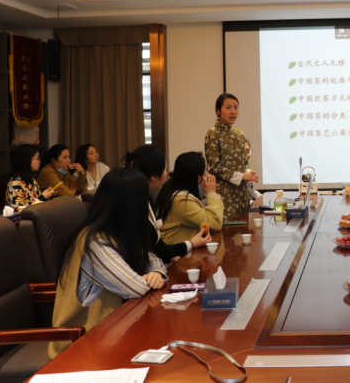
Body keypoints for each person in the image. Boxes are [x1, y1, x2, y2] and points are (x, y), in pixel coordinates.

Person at [49, 168, 168, 358]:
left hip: (113, 332)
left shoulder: (117, 233)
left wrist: (156, 272)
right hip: (81, 347)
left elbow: (152, 259)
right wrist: (149, 278)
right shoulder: (94, 243)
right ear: (131, 205)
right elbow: (135, 288)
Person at [123, 145, 210, 264]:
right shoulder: (134, 203)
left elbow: (157, 243)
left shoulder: (145, 197)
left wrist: (170, 256)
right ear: (154, 177)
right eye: (165, 169)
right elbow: (151, 249)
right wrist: (191, 243)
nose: (166, 174)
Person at [205, 93, 258, 221]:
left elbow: (244, 161)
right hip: (224, 194)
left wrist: (248, 172)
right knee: (227, 230)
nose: (233, 111)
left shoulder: (239, 134)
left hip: (241, 193)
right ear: (218, 111)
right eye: (228, 108)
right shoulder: (213, 133)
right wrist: (242, 176)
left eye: (236, 107)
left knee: (244, 226)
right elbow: (215, 167)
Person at [154, 152, 224, 244]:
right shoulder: (181, 200)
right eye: (205, 171)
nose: (206, 174)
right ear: (198, 178)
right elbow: (215, 223)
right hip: (177, 251)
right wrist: (212, 193)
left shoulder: (171, 187)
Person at [6, 144, 57, 210]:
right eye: (37, 158)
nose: (39, 161)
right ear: (26, 160)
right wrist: (43, 197)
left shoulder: (32, 180)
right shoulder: (14, 183)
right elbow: (19, 209)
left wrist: (48, 195)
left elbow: (37, 201)